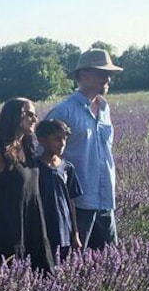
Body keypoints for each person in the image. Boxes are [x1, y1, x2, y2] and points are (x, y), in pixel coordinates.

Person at [45, 48, 123, 250]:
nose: (107, 79)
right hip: (77, 205)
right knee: (72, 263)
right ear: (83, 75)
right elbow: (43, 155)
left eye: (108, 74)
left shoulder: (105, 109)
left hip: (105, 201)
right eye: (101, 73)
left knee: (110, 264)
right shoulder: (64, 111)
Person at [0, 98, 53, 273]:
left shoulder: (28, 149)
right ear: (14, 116)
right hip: (6, 230)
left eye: (35, 115)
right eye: (29, 114)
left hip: (32, 226)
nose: (34, 119)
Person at [35, 119, 83, 263]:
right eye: (57, 139)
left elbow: (71, 202)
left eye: (64, 139)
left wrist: (75, 234)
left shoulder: (67, 168)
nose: (62, 143)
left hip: (64, 230)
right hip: (41, 230)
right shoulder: (33, 167)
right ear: (42, 140)